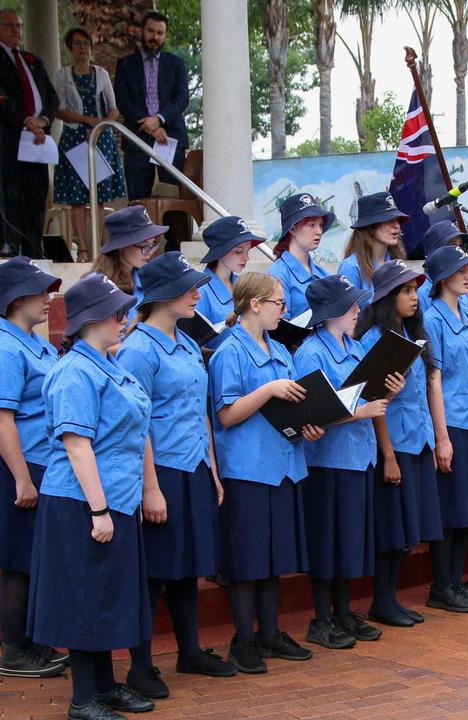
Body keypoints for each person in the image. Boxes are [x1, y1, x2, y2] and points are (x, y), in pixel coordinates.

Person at [28, 274, 155, 720]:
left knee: (104, 594)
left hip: (114, 498)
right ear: (93, 318)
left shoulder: (108, 364)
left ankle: (105, 685)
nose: (125, 319)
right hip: (82, 501)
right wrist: (100, 510)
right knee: (85, 597)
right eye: (118, 312)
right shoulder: (75, 371)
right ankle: (84, 698)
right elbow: (77, 445)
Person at [116, 254, 239, 696]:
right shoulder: (138, 348)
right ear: (164, 294)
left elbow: (202, 413)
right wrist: (150, 488)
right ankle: (141, 664)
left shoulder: (186, 342)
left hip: (193, 466)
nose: (197, 293)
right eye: (189, 287)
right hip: (161, 470)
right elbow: (137, 423)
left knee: (187, 566)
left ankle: (190, 650)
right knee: (155, 572)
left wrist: (214, 469)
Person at [210, 273, 322, 674]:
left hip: (284, 466)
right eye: (278, 302)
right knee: (248, 559)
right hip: (248, 468)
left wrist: (310, 422)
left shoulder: (278, 349)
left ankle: (270, 633)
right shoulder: (230, 352)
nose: (283, 309)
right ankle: (243, 640)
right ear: (255, 304)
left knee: (273, 557)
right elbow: (226, 414)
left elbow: (290, 406)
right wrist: (269, 390)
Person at [0, 258, 66, 680]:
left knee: (32, 556)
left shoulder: (36, 342)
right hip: (13, 461)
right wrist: (21, 478)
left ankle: (31, 641)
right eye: (39, 291)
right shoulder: (4, 348)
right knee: (16, 558)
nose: (48, 299)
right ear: (15, 299)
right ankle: (13, 649)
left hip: (38, 457)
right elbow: (1, 419)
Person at [292, 276, 392, 648]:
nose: (357, 312)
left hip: (356, 456)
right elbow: (312, 411)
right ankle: (321, 618)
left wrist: (386, 392)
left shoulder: (353, 347)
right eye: (350, 306)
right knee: (328, 539)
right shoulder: (310, 352)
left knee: (349, 540)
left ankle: (343, 611)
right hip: (328, 460)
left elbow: (367, 397)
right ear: (330, 312)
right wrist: (361, 410)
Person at [355, 261, 447, 625]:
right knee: (391, 524)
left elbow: (426, 386)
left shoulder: (412, 334)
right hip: (393, 440)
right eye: (406, 292)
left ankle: (389, 598)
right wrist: (388, 455)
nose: (414, 298)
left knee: (407, 523)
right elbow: (374, 402)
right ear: (387, 297)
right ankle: (382, 599)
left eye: (414, 291)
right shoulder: (373, 340)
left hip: (417, 437)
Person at [422, 246, 468, 611]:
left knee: (466, 507)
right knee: (450, 507)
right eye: (460, 270)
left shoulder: (465, 310)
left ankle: (456, 578)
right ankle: (442, 585)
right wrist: (441, 437)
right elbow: (433, 379)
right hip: (449, 420)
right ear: (441, 278)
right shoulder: (432, 318)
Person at [0, 9, 60, 258]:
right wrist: (25, 119)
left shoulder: (32, 60)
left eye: (19, 26)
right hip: (10, 137)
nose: (16, 31)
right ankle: (11, 246)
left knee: (37, 192)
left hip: (37, 138)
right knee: (11, 192)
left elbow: (51, 98)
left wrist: (42, 120)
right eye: (10, 26)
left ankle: (34, 247)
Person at [52, 27, 125, 263]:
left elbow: (114, 109)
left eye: (86, 43)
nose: (83, 48)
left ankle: (100, 247)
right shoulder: (63, 75)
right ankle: (82, 248)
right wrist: (85, 120)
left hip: (100, 139)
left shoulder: (101, 74)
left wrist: (99, 125)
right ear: (70, 48)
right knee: (77, 197)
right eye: (77, 44)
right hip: (73, 138)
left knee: (100, 196)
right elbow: (60, 110)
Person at [114, 11, 190, 201]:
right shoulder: (125, 65)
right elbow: (122, 100)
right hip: (137, 141)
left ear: (165, 35)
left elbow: (182, 98)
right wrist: (150, 126)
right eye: (151, 31)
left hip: (170, 138)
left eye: (159, 33)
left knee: (173, 201)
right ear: (142, 31)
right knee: (138, 202)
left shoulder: (176, 65)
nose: (154, 37)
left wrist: (158, 120)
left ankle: (176, 233)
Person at [200, 216, 266, 351]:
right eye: (238, 251)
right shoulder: (200, 290)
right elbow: (192, 344)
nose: (246, 257)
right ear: (219, 251)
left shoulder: (244, 284)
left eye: (248, 251)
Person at [92, 206, 166, 319]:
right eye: (144, 245)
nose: (149, 252)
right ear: (121, 245)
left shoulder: (148, 278)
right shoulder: (97, 285)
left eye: (153, 245)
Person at [269, 194, 335, 319]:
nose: (319, 231)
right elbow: (279, 329)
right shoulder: (277, 275)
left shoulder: (323, 274)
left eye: (321, 225)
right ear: (292, 229)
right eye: (311, 225)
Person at [339, 192, 408, 303]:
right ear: (370, 226)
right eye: (389, 220)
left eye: (398, 220)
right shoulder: (351, 267)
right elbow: (348, 316)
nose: (397, 226)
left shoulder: (396, 262)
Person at [417, 220, 468, 320]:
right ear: (435, 251)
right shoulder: (421, 293)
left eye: (460, 245)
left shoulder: (459, 283)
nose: (458, 249)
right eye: (452, 244)